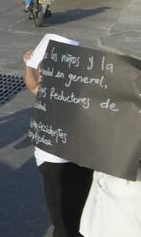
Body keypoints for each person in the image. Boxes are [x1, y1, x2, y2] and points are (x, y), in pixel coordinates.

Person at [23, 48, 93, 237]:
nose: (40, 74)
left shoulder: (72, 92)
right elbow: (32, 86)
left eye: (42, 71)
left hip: (65, 163)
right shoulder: (52, 89)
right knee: (69, 221)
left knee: (65, 223)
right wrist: (29, 65)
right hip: (61, 162)